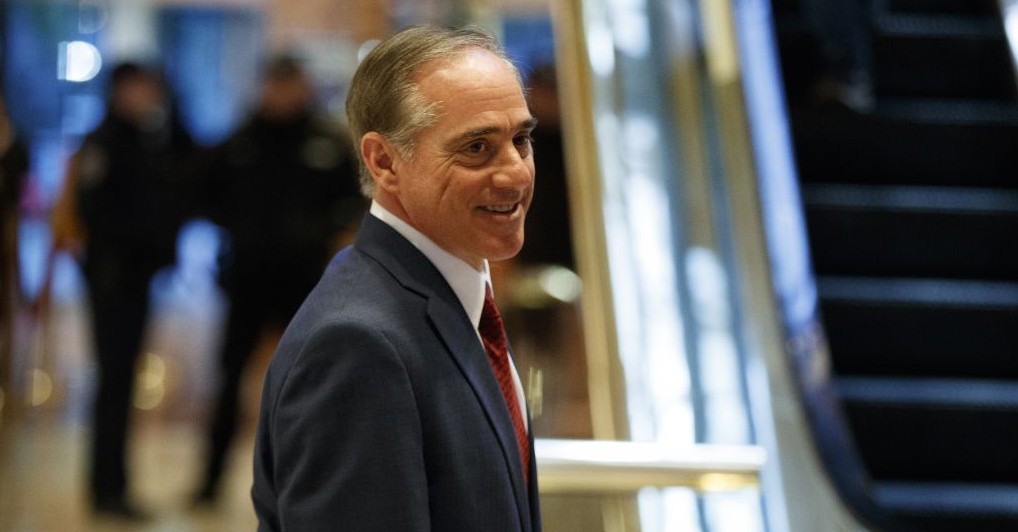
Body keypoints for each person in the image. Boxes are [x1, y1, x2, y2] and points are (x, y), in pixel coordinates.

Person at [251, 25, 542, 531]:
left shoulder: (450, 295)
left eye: (521, 139)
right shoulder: (357, 343)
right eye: (477, 147)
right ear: (384, 162)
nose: (515, 172)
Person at [194, 54, 363, 504]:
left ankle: (310, 486)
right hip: (246, 281)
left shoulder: (327, 143)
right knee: (230, 381)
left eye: (291, 85)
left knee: (309, 384)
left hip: (307, 285)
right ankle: (210, 482)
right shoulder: (239, 142)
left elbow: (353, 203)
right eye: (275, 84)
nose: (283, 94)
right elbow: (206, 198)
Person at [51, 62, 198, 520]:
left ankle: (113, 485)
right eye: (142, 88)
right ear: (120, 91)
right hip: (113, 280)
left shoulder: (147, 137)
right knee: (113, 384)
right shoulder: (105, 142)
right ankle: (107, 490)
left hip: (135, 277)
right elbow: (97, 214)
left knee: (121, 383)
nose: (149, 96)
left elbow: (187, 161)